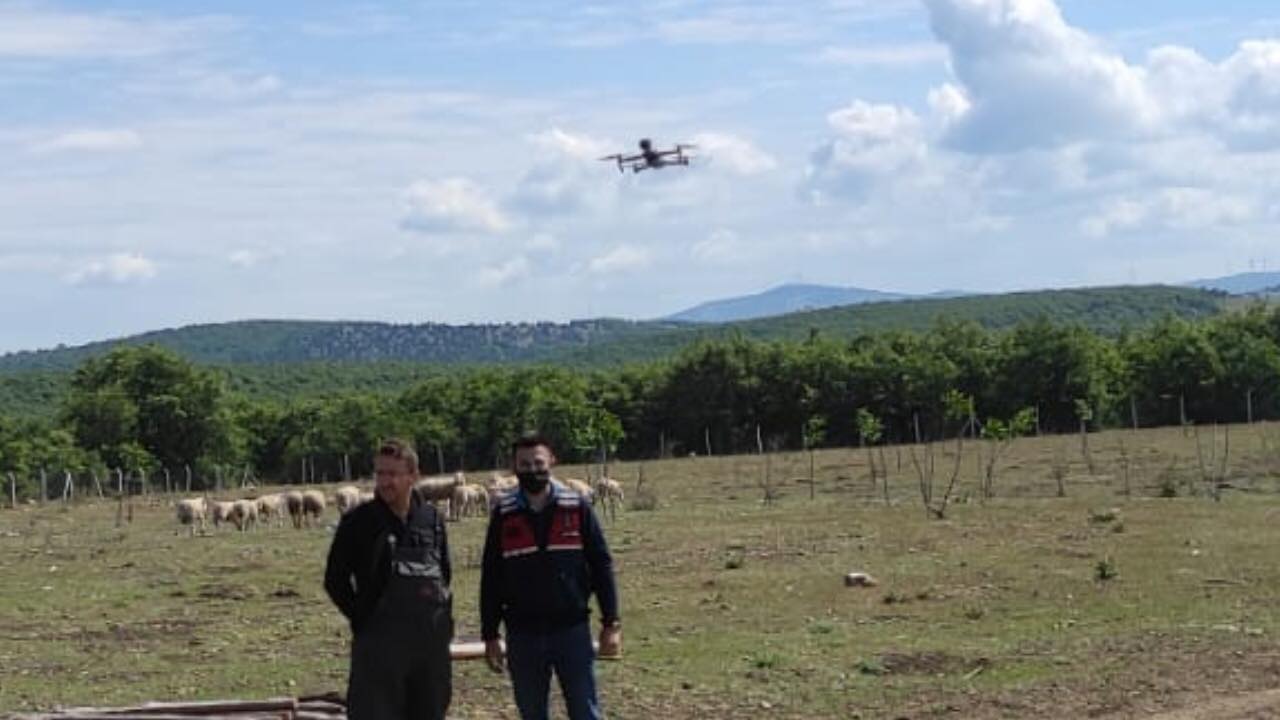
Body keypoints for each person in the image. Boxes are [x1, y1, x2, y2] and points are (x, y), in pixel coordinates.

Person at [480, 431, 621, 720]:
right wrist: (490, 634)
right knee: (532, 712)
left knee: (585, 710)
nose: (533, 470)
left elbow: (601, 564)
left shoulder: (576, 506)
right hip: (522, 634)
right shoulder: (503, 514)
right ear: (514, 467)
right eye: (525, 464)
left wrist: (611, 622)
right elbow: (491, 576)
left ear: (552, 461)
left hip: (572, 630)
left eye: (538, 462)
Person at [324, 438, 453, 720]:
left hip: (428, 651)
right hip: (379, 650)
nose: (384, 482)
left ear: (413, 476)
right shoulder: (358, 522)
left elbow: (444, 574)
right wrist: (361, 616)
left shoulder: (431, 520)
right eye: (380, 473)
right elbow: (334, 580)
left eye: (392, 474)